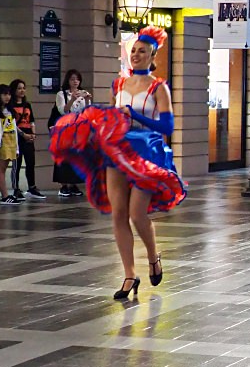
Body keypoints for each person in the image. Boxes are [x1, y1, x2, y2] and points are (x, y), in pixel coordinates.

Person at [50, 27, 186, 300]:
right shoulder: (119, 84)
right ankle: (129, 274)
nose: (136, 55)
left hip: (146, 153)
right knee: (118, 213)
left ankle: (152, 255)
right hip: (117, 152)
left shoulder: (159, 87)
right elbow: (113, 115)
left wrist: (136, 115)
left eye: (142, 51)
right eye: (133, 50)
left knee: (137, 213)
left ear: (152, 55)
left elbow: (168, 125)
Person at [54, 69, 91, 197]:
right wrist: (72, 99)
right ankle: (64, 185)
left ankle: (74, 184)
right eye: (72, 79)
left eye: (77, 79)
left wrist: (86, 100)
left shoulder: (83, 93)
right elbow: (63, 111)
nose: (75, 82)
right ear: (68, 81)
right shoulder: (61, 94)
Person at [9, 79, 45, 200]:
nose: (22, 90)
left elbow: (32, 120)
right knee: (17, 164)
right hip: (17, 135)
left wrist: (33, 133)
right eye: (19, 88)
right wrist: (23, 134)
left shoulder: (27, 104)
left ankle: (32, 187)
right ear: (14, 90)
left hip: (29, 135)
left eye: (23, 88)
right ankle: (16, 189)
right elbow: (12, 123)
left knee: (30, 162)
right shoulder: (11, 105)